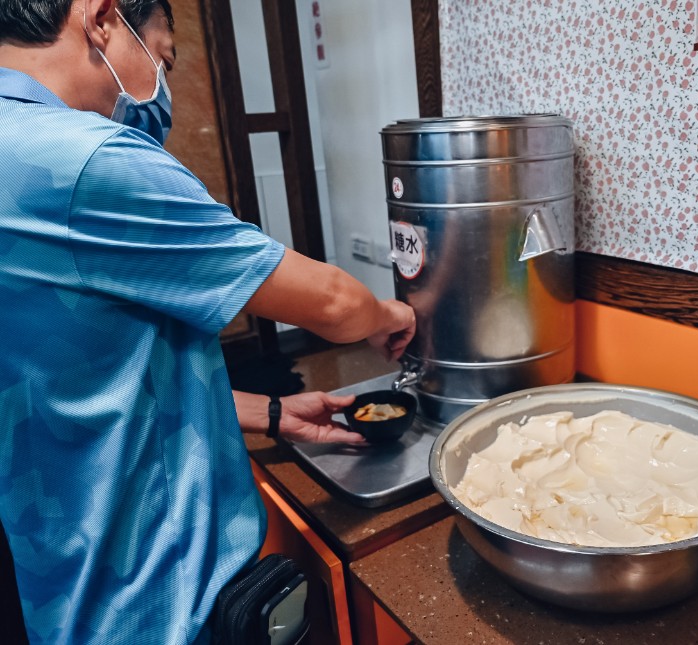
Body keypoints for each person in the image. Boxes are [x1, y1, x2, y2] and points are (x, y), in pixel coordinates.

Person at [0, 0, 416, 642]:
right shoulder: (84, 159)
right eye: (162, 59)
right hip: (153, 598)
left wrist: (261, 410)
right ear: (104, 19)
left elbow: (60, 374)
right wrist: (390, 312)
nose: (158, 91)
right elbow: (332, 304)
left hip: (57, 581)